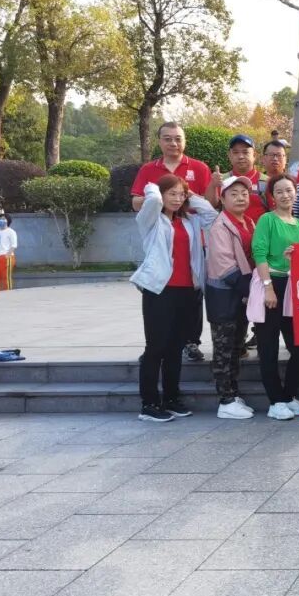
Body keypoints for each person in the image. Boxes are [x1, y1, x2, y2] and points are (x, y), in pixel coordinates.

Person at [131, 175, 217, 422]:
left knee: (175, 348)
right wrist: (154, 189)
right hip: (160, 290)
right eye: (173, 194)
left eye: (181, 194)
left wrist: (192, 197)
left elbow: (211, 215)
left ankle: (171, 398)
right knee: (155, 347)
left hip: (187, 290)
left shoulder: (190, 221)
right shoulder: (151, 220)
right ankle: (149, 404)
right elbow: (152, 201)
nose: (178, 199)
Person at [131, 122, 212, 362]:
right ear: (159, 141)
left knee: (193, 296)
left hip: (192, 233)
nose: (173, 143)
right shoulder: (149, 169)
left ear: (185, 141)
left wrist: (185, 198)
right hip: (160, 232)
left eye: (178, 138)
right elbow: (137, 202)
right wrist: (157, 197)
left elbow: (211, 204)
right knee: (161, 313)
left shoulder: (199, 167)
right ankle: (155, 349)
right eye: (167, 138)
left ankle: (191, 342)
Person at [252, 174, 299, 420]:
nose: (285, 195)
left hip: (293, 287)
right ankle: (275, 401)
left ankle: (288, 396)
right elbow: (259, 252)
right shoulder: (267, 220)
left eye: (289, 190)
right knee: (268, 346)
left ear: (295, 193)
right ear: (272, 196)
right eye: (279, 191)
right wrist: (268, 287)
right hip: (271, 282)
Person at [205, 175, 257, 420]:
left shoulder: (249, 222)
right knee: (224, 349)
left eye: (244, 194)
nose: (240, 198)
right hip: (224, 294)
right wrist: (253, 290)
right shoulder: (220, 225)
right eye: (233, 194)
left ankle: (233, 394)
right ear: (222, 199)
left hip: (241, 293)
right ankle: (225, 400)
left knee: (236, 346)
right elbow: (225, 266)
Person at [205, 134, 267, 224]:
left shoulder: (267, 181)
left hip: (260, 231)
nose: (240, 156)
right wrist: (213, 185)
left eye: (245, 152)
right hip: (228, 231)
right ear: (229, 155)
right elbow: (210, 206)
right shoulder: (221, 179)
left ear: (254, 155)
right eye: (235, 152)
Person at [258, 138, 289, 210]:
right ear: (263, 159)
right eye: (271, 155)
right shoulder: (256, 182)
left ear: (285, 159)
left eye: (279, 155)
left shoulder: (293, 183)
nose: (275, 159)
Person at [0, 216, 17, 292]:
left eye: (3, 219)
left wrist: (7, 255)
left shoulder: (11, 231)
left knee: (6, 277)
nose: (1, 220)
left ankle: (8, 294)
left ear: (7, 220)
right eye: (0, 219)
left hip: (6, 257)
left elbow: (14, 245)